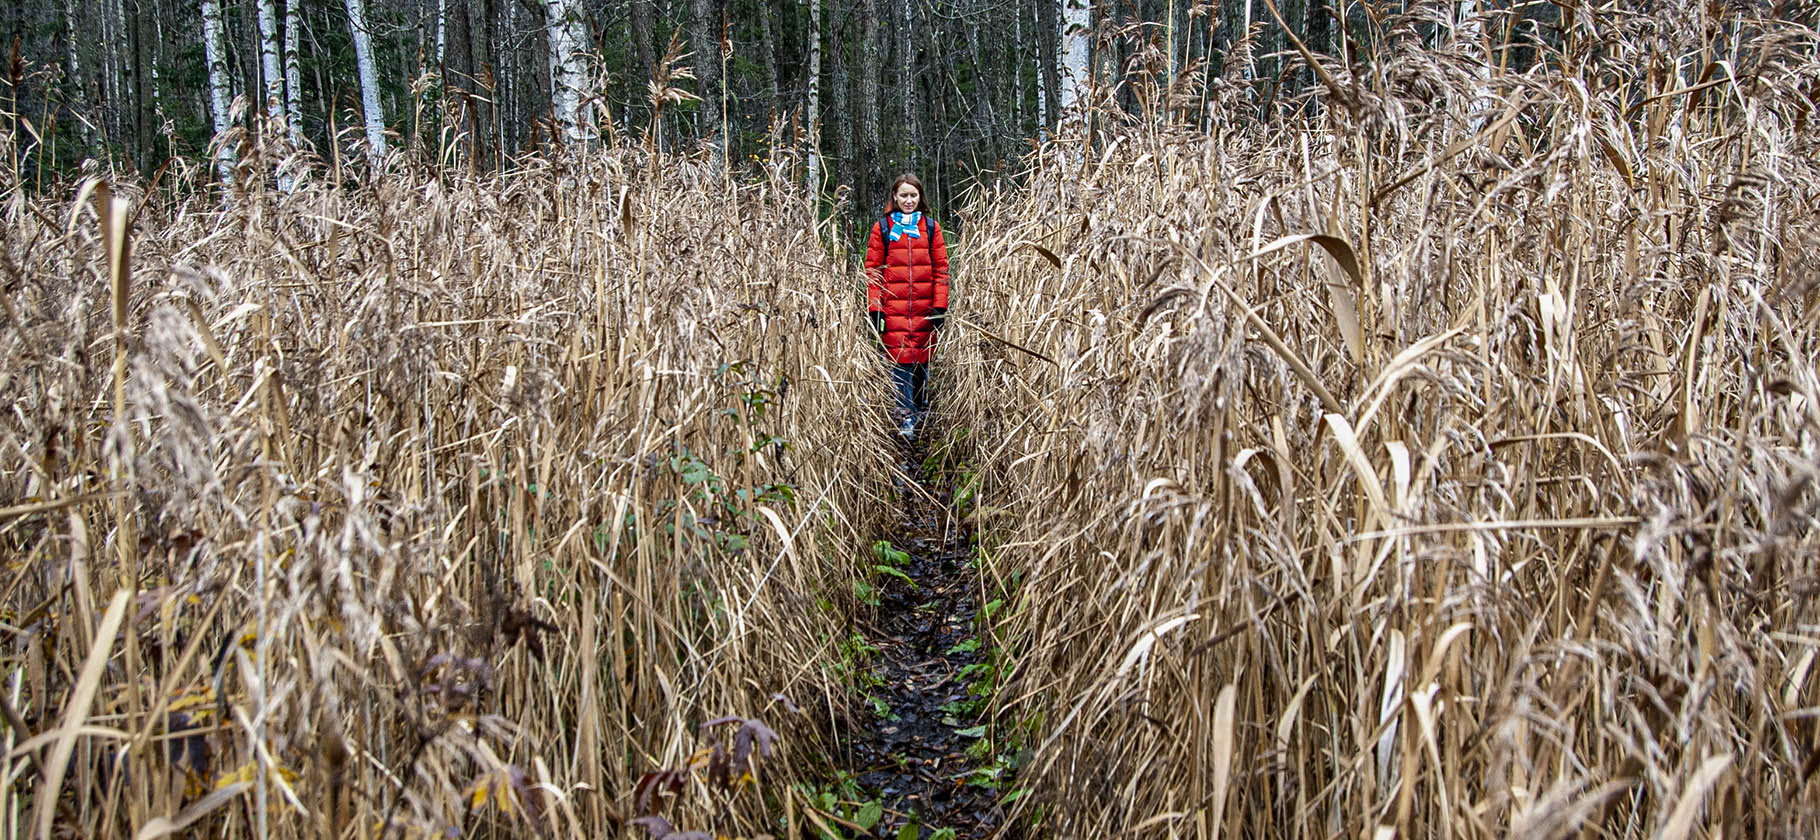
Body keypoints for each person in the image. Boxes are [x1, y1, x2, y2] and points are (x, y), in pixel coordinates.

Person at [865, 173, 950, 439]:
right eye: (903, 195)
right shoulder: (883, 228)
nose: (909, 200)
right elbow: (873, 271)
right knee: (900, 364)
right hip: (894, 310)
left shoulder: (931, 228)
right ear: (894, 197)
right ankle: (906, 418)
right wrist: (875, 307)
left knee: (922, 364)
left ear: (920, 197)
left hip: (926, 310)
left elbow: (941, 271)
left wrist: (940, 307)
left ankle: (922, 411)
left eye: (913, 195)